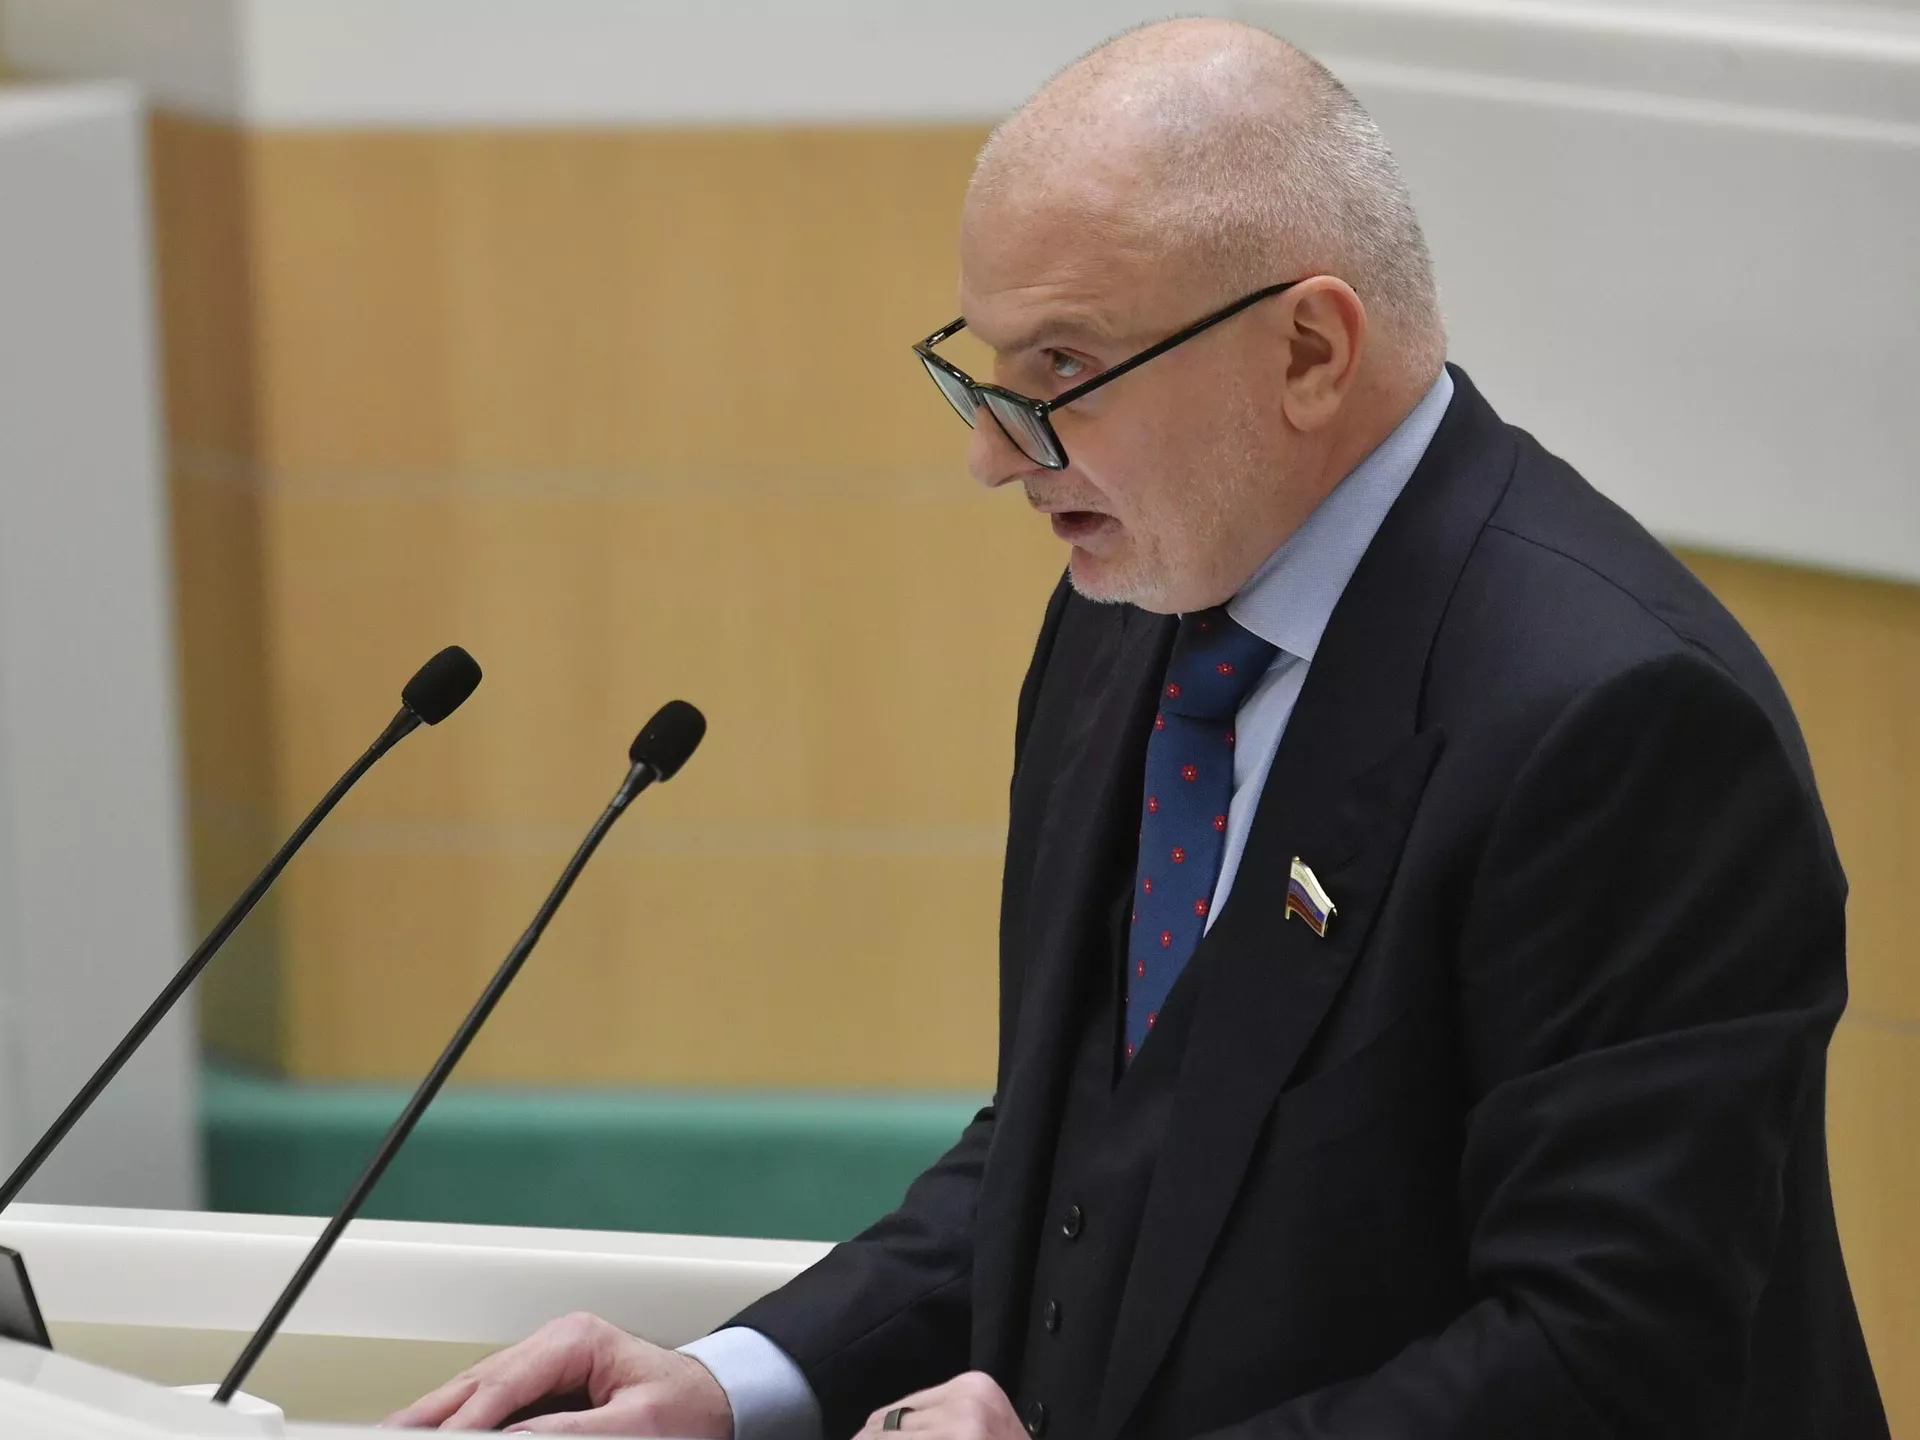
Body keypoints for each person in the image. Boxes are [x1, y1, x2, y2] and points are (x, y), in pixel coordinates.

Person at [386, 18, 1887, 1439]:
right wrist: (737, 1385)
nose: (993, 457)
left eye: (1063, 371)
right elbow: (1074, 1158)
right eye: (984, 370)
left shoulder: (1619, 722)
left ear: (1309, 351)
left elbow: (1605, 1358)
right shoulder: (1135, 610)